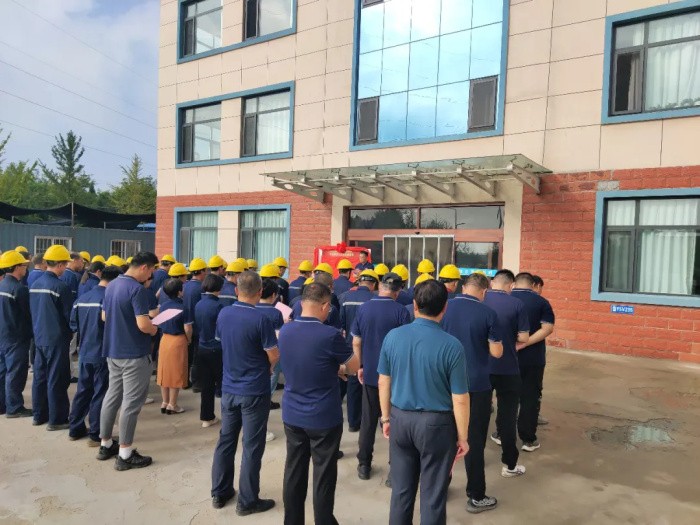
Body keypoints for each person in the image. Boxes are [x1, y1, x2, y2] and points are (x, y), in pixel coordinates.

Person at [377, 280, 470, 525]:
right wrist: (462, 437)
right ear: (445, 307)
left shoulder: (393, 337)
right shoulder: (452, 346)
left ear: (415, 305)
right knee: (433, 496)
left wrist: (386, 418)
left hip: (400, 419)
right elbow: (460, 398)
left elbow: (383, 381)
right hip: (436, 426)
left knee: (401, 492)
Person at [278, 282, 361, 525]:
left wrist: (330, 367)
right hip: (323, 416)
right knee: (323, 475)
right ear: (325, 306)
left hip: (292, 414)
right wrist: (340, 368)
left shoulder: (286, 331)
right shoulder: (330, 335)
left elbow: (303, 361)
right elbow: (354, 366)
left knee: (294, 471)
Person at [211, 271, 279, 514]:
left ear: (237, 290)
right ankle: (248, 501)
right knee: (251, 446)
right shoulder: (261, 319)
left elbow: (222, 343)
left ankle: (220, 492)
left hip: (229, 388)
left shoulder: (224, 314)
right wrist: (268, 368)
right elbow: (273, 354)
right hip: (254, 390)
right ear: (260, 292)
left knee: (226, 441)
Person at [441, 273, 503, 513]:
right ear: (484, 291)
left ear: (463, 287)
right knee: (473, 441)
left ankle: (440, 488)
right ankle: (476, 496)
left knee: (445, 437)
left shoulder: (445, 307)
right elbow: (496, 352)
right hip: (476, 385)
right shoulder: (488, 313)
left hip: (445, 383)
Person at [98, 252, 159, 470]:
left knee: (112, 396)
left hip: (113, 351)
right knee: (131, 403)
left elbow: (104, 316)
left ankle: (105, 444)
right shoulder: (137, 290)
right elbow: (143, 325)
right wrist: (154, 328)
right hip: (134, 354)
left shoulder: (112, 285)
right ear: (144, 267)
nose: (150, 276)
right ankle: (125, 453)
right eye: (151, 271)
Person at [351, 272, 411, 483]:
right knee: (395, 421)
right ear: (398, 291)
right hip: (394, 376)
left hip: (370, 373)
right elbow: (405, 346)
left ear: (380, 287)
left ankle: (364, 464)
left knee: (368, 420)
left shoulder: (364, 308)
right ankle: (394, 470)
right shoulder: (401, 311)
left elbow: (356, 341)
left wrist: (360, 365)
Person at [484, 269, 530, 478]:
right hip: (508, 367)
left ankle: (474, 458)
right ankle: (510, 464)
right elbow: (524, 337)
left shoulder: (481, 300)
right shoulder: (517, 304)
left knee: (478, 415)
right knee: (508, 416)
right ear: (511, 285)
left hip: (482, 367)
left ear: (493, 282)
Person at [68, 265, 121, 445]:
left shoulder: (82, 298)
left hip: (85, 352)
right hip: (102, 353)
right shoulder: (109, 299)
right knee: (100, 393)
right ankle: (96, 432)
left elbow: (73, 325)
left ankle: (75, 428)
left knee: (83, 391)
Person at [29, 245, 74, 430]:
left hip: (39, 337)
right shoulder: (60, 287)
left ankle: (39, 415)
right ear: (61, 265)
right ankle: (57, 419)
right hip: (56, 339)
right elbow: (69, 316)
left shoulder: (35, 284)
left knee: (40, 378)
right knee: (57, 379)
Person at [511, 272, 555, 452]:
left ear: (514, 283)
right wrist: (526, 342)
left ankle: (501, 433)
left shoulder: (505, 299)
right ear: (533, 285)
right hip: (533, 358)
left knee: (507, 396)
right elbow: (548, 328)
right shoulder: (541, 302)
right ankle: (528, 439)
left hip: (507, 357)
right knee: (530, 396)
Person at [338, 269, 379, 433]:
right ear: (374, 284)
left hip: (350, 347)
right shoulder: (374, 300)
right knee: (371, 385)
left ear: (359, 281)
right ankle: (372, 420)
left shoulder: (345, 297)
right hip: (370, 348)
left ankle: (353, 423)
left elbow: (342, 324)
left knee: (353, 385)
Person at [0, 250, 32, 418]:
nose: (26, 268)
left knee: (2, 371)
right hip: (16, 336)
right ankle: (14, 407)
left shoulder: (2, 286)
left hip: (3, 334)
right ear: (16, 267)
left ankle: (3, 404)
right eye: (24, 265)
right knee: (15, 372)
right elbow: (28, 314)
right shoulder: (19, 289)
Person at [157, 278, 192, 415]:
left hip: (165, 339)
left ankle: (164, 402)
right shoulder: (183, 307)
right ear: (179, 292)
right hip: (178, 340)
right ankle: (173, 404)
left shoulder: (163, 306)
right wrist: (188, 339)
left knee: (164, 372)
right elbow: (187, 328)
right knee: (176, 373)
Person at [194, 274, 224, 428]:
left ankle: (206, 417)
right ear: (219, 288)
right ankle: (229, 417)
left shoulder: (199, 304)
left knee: (206, 385)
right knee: (223, 384)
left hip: (202, 347)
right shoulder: (218, 306)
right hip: (217, 349)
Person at [256, 278, 284, 417]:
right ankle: (267, 400)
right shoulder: (276, 313)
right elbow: (279, 335)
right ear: (274, 295)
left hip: (255, 350)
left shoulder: (253, 308)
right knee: (272, 376)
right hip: (272, 350)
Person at [184, 258, 207, 389]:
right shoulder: (201, 288)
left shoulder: (184, 286)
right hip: (198, 326)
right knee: (197, 356)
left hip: (185, 324)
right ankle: (197, 382)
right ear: (201, 271)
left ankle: (185, 380)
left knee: (187, 355)